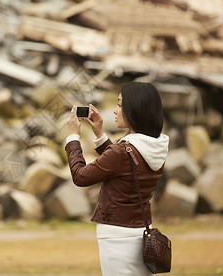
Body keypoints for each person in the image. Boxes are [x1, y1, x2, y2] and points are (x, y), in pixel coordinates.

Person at [65, 82, 169, 275]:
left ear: (134, 109)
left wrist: (72, 137)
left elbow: (80, 177)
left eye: (120, 105)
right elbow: (126, 167)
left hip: (117, 238)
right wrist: (99, 134)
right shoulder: (155, 147)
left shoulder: (124, 151)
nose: (115, 111)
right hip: (142, 234)